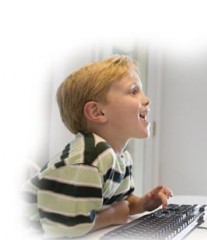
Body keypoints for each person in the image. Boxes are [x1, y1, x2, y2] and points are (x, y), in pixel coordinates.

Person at [22, 55, 173, 238]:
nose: (147, 99)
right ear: (97, 112)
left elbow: (120, 202)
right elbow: (65, 225)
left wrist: (141, 204)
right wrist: (111, 217)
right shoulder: (87, 158)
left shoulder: (121, 158)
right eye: (134, 91)